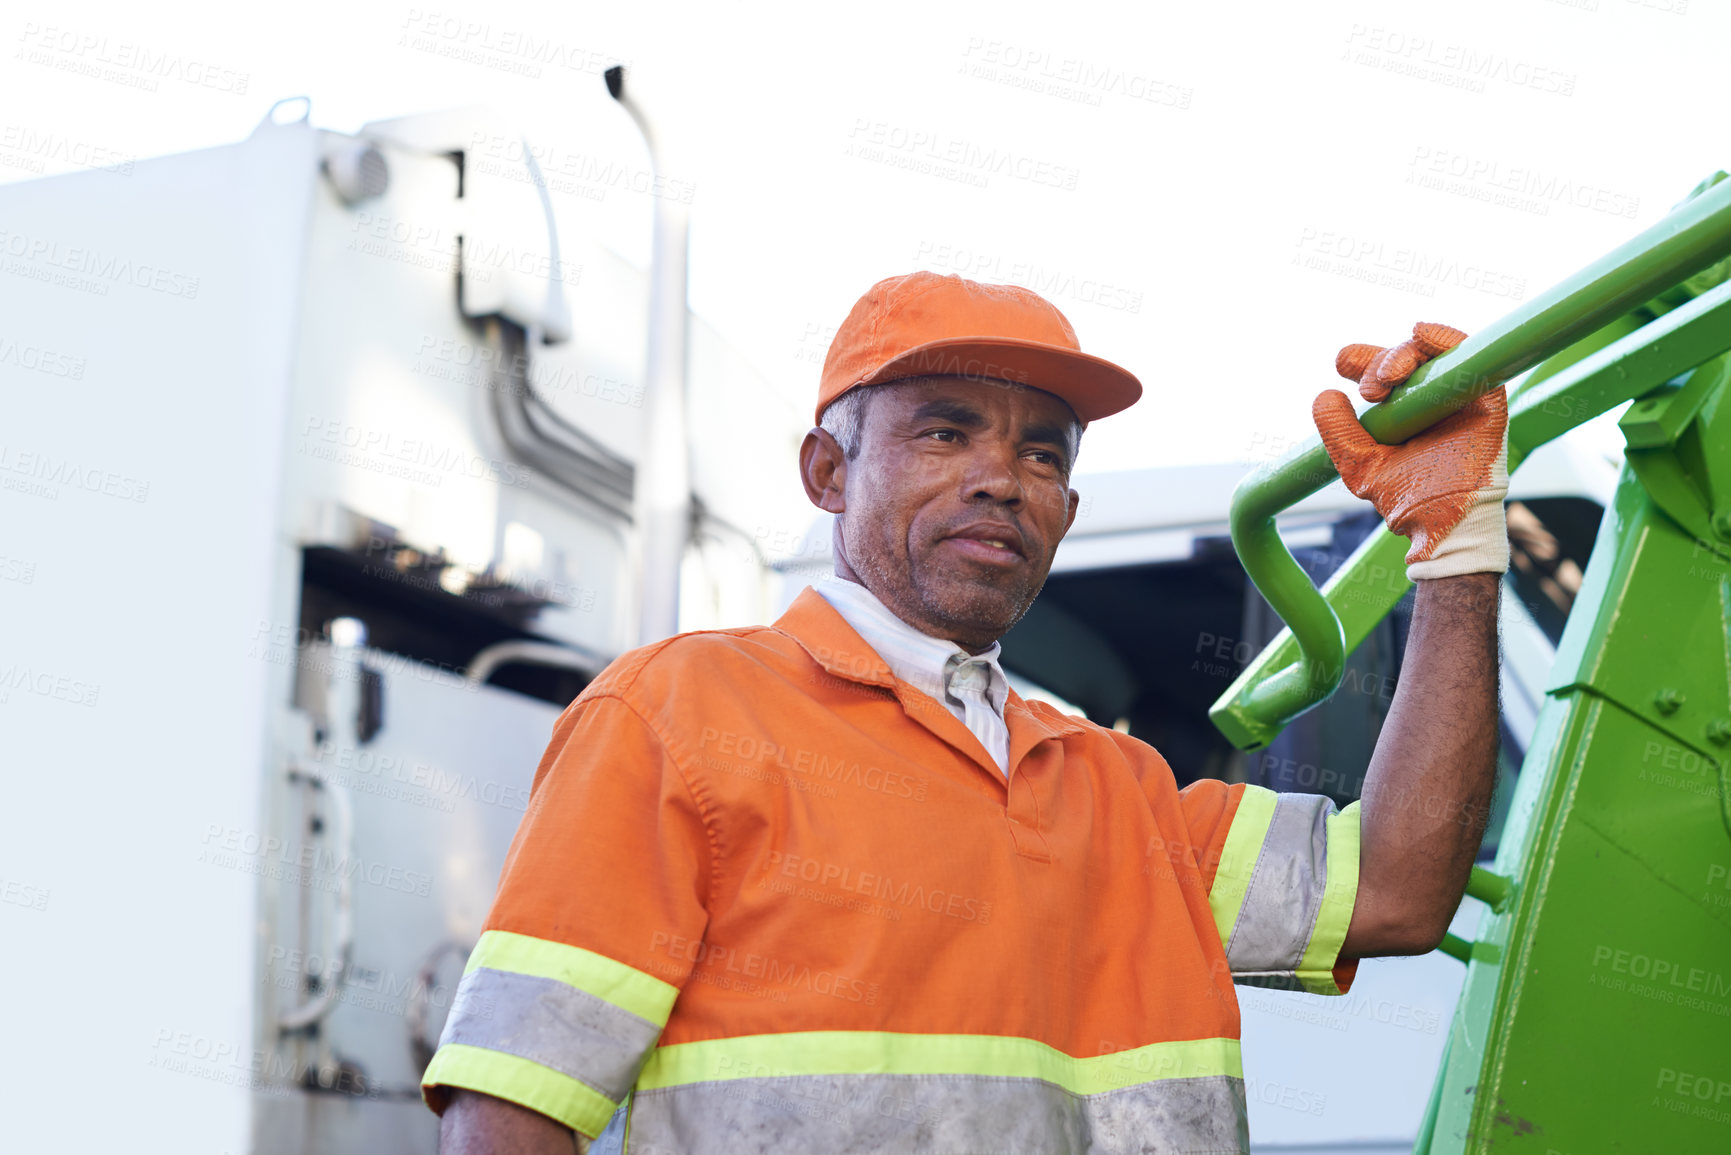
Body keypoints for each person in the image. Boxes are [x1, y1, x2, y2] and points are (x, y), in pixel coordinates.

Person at [423, 271, 1507, 1154]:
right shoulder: (677, 714)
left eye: (1044, 452)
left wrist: (1455, 548)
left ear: (1068, 511)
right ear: (827, 471)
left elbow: (1402, 893)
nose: (1004, 478)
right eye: (946, 433)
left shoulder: (1116, 790)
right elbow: (512, 1108)